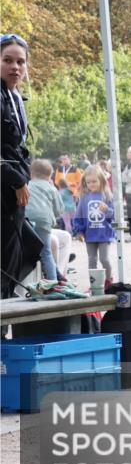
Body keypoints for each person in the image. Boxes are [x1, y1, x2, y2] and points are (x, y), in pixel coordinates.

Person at [1, 33, 32, 297]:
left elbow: (17, 147)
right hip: (4, 192)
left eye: (20, 62)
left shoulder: (15, 98)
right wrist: (17, 179)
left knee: (16, 260)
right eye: (8, 60)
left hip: (11, 198)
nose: (15, 67)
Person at [73, 165, 116, 288]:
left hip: (104, 233)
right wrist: (79, 231)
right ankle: (94, 283)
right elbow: (79, 215)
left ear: (101, 180)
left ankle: (108, 279)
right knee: (91, 259)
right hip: (90, 234)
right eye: (88, 182)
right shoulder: (84, 197)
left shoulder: (107, 195)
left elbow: (113, 215)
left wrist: (107, 210)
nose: (91, 184)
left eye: (94, 181)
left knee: (104, 259)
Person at [25, 159, 63, 280]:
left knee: (26, 250)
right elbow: (59, 210)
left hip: (27, 221)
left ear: (31, 173)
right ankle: (53, 281)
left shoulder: (27, 185)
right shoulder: (51, 188)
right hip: (44, 222)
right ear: (50, 175)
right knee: (46, 252)